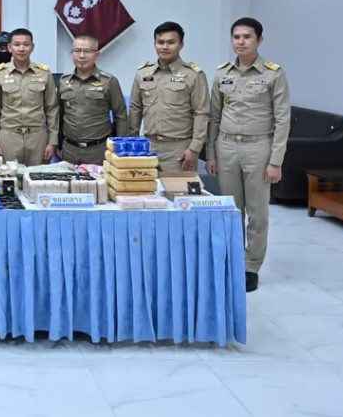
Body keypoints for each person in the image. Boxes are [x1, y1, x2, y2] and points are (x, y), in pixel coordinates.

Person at [206, 18, 290, 293]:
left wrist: (275, 161)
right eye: (236, 37)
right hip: (226, 147)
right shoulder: (222, 73)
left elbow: (282, 120)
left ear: (259, 40)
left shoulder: (273, 74)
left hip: (258, 147)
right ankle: (233, 260)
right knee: (231, 209)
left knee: (257, 212)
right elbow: (214, 117)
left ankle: (251, 266)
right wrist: (211, 154)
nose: (241, 41)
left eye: (247, 37)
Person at [128, 21, 209, 172]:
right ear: (154, 44)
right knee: (146, 187)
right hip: (147, 147)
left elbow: (202, 113)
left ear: (181, 44)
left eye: (171, 42)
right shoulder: (143, 73)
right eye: (160, 42)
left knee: (178, 187)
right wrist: (133, 141)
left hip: (179, 149)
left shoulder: (193, 75)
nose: (164, 47)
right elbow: (135, 108)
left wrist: (194, 148)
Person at [0, 28, 59, 165]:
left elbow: (52, 109)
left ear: (32, 47)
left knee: (37, 176)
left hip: (37, 138)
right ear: (9, 47)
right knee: (9, 176)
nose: (21, 49)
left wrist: (53, 141)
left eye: (26, 44)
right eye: (17, 44)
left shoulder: (44, 73)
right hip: (8, 137)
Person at [58, 34, 128, 165]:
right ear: (72, 53)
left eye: (88, 51)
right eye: (77, 51)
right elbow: (60, 115)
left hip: (99, 150)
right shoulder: (63, 81)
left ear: (97, 54)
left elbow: (121, 115)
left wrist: (120, 147)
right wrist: (57, 143)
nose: (82, 56)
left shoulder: (109, 82)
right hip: (70, 151)